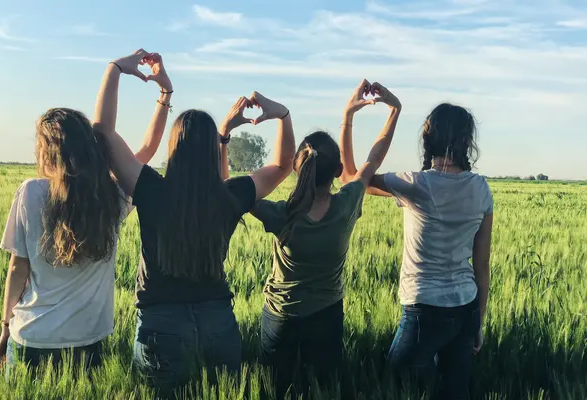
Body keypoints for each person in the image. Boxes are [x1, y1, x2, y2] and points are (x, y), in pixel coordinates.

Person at [92, 49, 296, 393]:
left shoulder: (151, 190)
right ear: (211, 150)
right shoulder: (229, 197)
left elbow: (102, 133)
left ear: (174, 148)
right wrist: (282, 116)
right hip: (219, 323)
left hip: (160, 325)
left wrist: (114, 69)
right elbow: (282, 164)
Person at [0, 51, 170, 372]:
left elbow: (17, 269)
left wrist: (5, 325)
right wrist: (164, 94)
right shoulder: (110, 195)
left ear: (45, 150)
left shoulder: (30, 192)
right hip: (87, 341)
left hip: (32, 337)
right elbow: (144, 152)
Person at [247, 80, 401, 399]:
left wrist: (224, 136)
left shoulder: (282, 214)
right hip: (327, 317)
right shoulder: (346, 204)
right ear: (337, 170)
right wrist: (389, 111)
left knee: (273, 391)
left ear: (296, 169)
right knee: (324, 390)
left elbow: (232, 194)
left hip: (280, 316)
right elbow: (373, 159)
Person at [340, 101, 493, 399]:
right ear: (466, 141)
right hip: (466, 307)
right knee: (453, 391)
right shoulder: (481, 188)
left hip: (424, 308)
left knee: (396, 383)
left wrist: (350, 116)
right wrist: (479, 323)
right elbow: (482, 263)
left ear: (428, 138)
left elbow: (351, 178)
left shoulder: (415, 184)